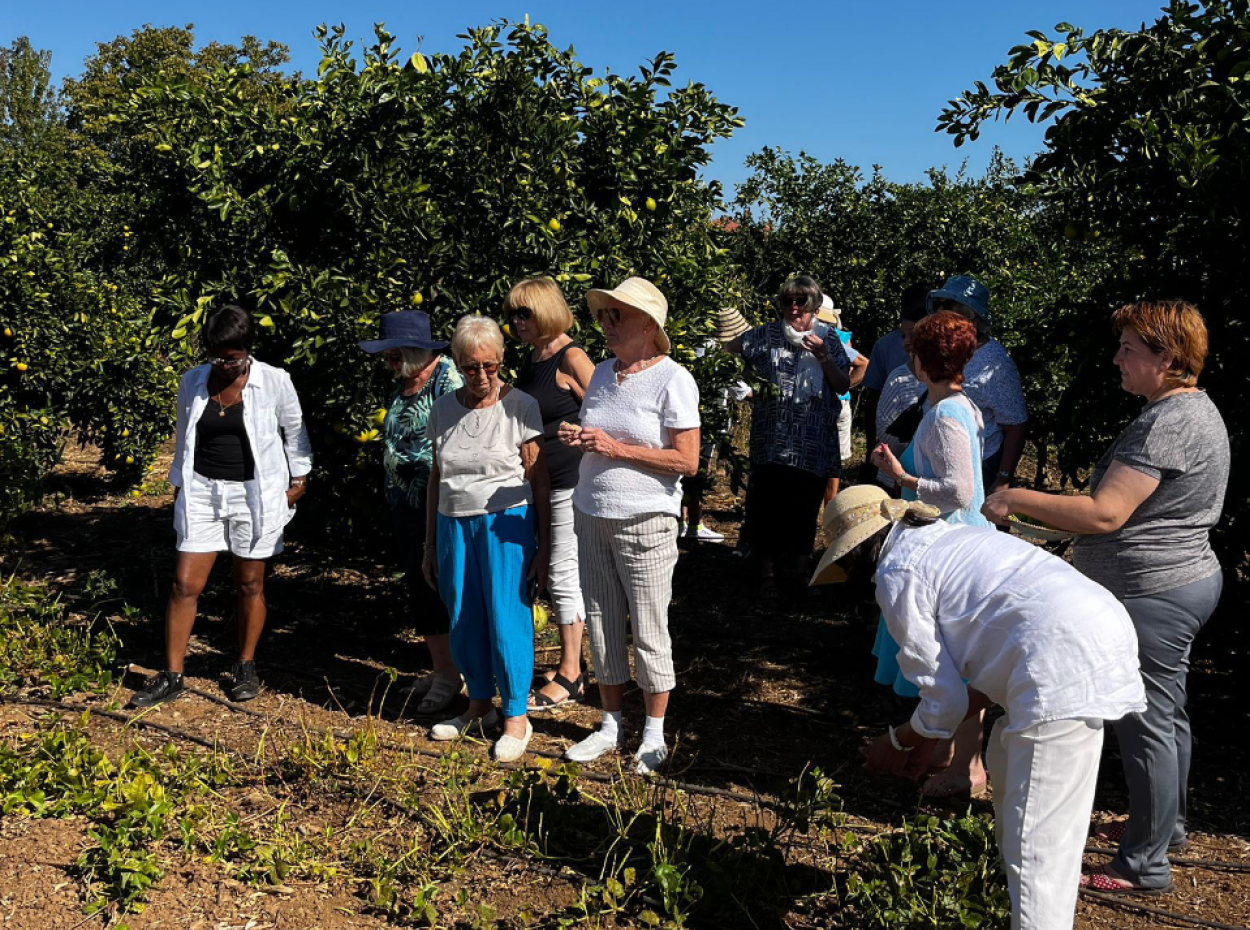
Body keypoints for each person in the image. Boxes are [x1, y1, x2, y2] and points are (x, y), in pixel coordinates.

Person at [814, 485, 1146, 930]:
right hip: (1089, 635)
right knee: (1007, 766)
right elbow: (987, 670)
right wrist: (928, 739)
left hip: (1059, 663)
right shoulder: (949, 539)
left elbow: (943, 699)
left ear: (856, 553)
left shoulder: (898, 572)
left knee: (1038, 853)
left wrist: (895, 741)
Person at [983, 299, 1229, 896]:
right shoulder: (1183, 410)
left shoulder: (1170, 421)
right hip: (1176, 581)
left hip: (1153, 591)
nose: (1116, 357)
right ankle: (1164, 828)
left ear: (1166, 359)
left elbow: (1105, 512)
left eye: (1128, 348)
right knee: (1168, 717)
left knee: (1144, 723)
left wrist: (1015, 498)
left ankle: (1143, 864)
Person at [129, 304, 312, 708]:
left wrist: (298, 479)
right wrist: (178, 485)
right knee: (184, 584)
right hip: (203, 491)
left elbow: (294, 431)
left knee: (249, 583)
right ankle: (173, 674)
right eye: (216, 357)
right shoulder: (193, 381)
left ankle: (245, 665)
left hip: (255, 493)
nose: (224, 366)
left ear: (248, 350)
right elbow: (183, 437)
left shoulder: (275, 381)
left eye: (232, 359)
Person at [557, 277, 700, 774]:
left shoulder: (673, 379)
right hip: (592, 512)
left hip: (645, 520)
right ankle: (611, 724)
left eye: (617, 315)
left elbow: (687, 461)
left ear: (648, 324)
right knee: (600, 623)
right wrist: (579, 436)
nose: (607, 324)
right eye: (604, 315)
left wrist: (616, 448)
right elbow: (600, 433)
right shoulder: (600, 373)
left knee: (648, 628)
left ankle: (654, 734)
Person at [869, 311, 992, 799]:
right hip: (958, 538)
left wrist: (903, 477)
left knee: (949, 662)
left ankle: (959, 766)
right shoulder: (956, 405)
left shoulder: (945, 414)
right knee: (960, 664)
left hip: (948, 544)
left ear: (923, 361)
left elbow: (959, 491)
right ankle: (956, 760)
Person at [422, 315, 550, 762]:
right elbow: (437, 478)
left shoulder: (522, 406)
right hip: (453, 523)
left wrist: (545, 548)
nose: (482, 376)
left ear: (501, 362)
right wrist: (429, 543)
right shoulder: (441, 410)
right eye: (472, 367)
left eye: (490, 366)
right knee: (462, 616)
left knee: (506, 617)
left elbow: (540, 480)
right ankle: (479, 706)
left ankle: (516, 715)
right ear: (457, 364)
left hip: (506, 523)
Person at [359, 310, 464, 715]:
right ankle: (443, 669)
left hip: (440, 505)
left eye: (393, 351)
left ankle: (457, 671)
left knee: (443, 586)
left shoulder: (446, 379)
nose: (387, 359)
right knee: (421, 589)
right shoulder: (408, 383)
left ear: (418, 349)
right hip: (406, 505)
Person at [722, 275, 851, 594]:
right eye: (787, 301)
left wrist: (822, 355)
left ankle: (799, 571)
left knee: (805, 505)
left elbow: (843, 384)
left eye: (801, 302)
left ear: (815, 306)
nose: (794, 308)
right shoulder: (764, 335)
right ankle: (766, 574)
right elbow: (725, 352)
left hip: (813, 441)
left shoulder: (828, 337)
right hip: (773, 438)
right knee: (768, 504)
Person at [505, 277, 596, 712]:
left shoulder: (571, 356)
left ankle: (572, 673)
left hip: (569, 482)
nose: (516, 322)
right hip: (539, 481)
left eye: (524, 313)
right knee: (545, 568)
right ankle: (568, 666)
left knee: (561, 573)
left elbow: (609, 412)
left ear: (546, 310)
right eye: (512, 315)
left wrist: (578, 431)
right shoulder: (534, 357)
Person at [927, 276, 1027, 493]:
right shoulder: (943, 350)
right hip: (939, 462)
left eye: (948, 305)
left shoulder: (994, 362)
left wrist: (1002, 479)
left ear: (970, 315)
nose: (940, 310)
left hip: (978, 466)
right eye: (938, 304)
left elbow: (1015, 424)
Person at [861, 282, 931, 461]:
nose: (907, 342)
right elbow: (873, 398)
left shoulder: (950, 365)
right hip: (896, 459)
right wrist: (871, 446)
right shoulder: (885, 347)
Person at [816, 295, 868, 500]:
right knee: (834, 462)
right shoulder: (842, 337)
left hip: (830, 405)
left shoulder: (828, 339)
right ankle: (829, 511)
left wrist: (840, 388)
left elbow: (862, 362)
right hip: (839, 403)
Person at [870, 306, 926, 492]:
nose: (906, 343)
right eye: (903, 336)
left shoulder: (947, 380)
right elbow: (885, 429)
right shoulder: (898, 377)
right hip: (900, 474)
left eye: (913, 334)